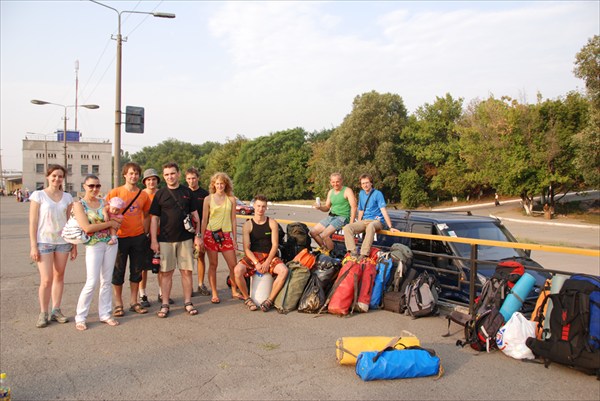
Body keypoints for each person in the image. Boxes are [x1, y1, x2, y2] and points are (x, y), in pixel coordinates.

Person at [149, 162, 202, 318]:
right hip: (165, 240)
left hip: (186, 239)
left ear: (178, 174)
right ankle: (165, 303)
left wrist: (197, 236)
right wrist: (154, 240)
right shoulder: (160, 194)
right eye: (166, 174)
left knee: (186, 272)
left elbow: (196, 217)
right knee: (166, 273)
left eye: (172, 173)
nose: (169, 177)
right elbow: (154, 220)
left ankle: (188, 302)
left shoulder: (187, 192)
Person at [28, 164, 77, 328]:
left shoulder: (68, 197)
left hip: (63, 242)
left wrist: (73, 245)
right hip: (44, 242)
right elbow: (33, 222)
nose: (57, 179)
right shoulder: (39, 195)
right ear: (48, 177)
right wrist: (33, 246)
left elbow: (71, 222)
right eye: (54, 176)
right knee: (46, 279)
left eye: (60, 176)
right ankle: (43, 312)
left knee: (59, 276)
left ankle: (56, 310)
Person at [73, 174, 121, 330]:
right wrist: (109, 223)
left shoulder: (103, 202)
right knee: (92, 282)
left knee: (106, 281)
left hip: (110, 243)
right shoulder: (79, 205)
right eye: (91, 186)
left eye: (97, 186)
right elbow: (87, 228)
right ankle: (80, 317)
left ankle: (105, 314)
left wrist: (113, 224)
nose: (94, 189)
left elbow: (117, 221)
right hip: (93, 245)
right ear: (84, 186)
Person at [106, 162, 152, 318]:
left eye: (136, 174)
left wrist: (145, 233)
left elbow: (146, 215)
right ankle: (118, 304)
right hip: (119, 237)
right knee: (118, 271)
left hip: (138, 237)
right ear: (125, 174)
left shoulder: (143, 195)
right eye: (131, 173)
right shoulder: (115, 192)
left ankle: (134, 302)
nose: (134, 176)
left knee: (137, 271)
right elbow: (105, 211)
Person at [233, 195, 288, 312]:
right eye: (258, 206)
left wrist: (268, 262)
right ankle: (247, 298)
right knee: (237, 271)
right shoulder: (248, 225)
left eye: (263, 206)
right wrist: (256, 263)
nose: (260, 209)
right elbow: (246, 248)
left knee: (284, 271)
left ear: (266, 208)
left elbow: (275, 245)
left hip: (269, 255)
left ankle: (269, 300)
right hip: (253, 255)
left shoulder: (272, 223)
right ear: (254, 206)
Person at [200, 172, 240, 304]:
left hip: (226, 235)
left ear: (226, 184)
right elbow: (204, 219)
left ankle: (234, 290)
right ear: (213, 185)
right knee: (213, 264)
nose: (219, 186)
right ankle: (215, 293)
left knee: (233, 265)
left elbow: (233, 220)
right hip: (211, 234)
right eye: (217, 183)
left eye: (222, 183)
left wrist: (234, 238)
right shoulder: (208, 199)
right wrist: (201, 238)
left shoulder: (231, 199)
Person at [342, 173, 399, 259]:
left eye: (367, 182)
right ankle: (353, 252)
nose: (365, 185)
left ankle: (364, 254)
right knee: (347, 227)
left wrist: (390, 226)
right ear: (361, 185)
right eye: (363, 183)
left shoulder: (378, 194)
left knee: (370, 226)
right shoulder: (361, 194)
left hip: (377, 221)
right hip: (365, 221)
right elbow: (361, 210)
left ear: (371, 183)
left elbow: (383, 211)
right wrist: (359, 222)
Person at [309, 173, 357, 254]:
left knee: (324, 235)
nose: (335, 184)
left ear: (341, 181)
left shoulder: (347, 191)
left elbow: (354, 207)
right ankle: (324, 249)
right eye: (333, 182)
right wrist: (319, 207)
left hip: (342, 217)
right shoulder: (330, 192)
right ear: (330, 182)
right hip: (331, 216)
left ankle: (331, 254)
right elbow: (327, 207)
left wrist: (351, 223)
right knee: (313, 232)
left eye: (337, 181)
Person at [138, 168, 165, 308]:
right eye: (148, 179)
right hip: (144, 234)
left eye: (154, 179)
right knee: (143, 267)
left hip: (161, 234)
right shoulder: (141, 195)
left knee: (161, 265)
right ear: (144, 182)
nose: (151, 182)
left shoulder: (161, 194)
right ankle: (142, 294)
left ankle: (162, 293)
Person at [185, 167, 211, 297]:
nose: (191, 181)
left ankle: (201, 284)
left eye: (193, 178)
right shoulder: (183, 193)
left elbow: (207, 215)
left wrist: (200, 233)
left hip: (201, 231)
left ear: (198, 178)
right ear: (185, 179)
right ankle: (188, 286)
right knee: (188, 260)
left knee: (200, 257)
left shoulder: (205, 194)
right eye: (189, 179)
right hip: (186, 231)